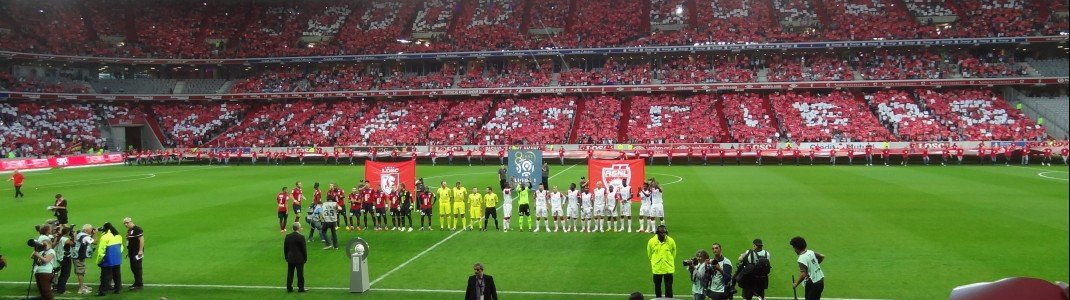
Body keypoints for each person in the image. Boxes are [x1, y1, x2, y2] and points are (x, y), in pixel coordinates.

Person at [647, 225, 676, 299]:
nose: (663, 234)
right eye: (661, 233)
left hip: (668, 268)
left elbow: (673, 253)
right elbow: (649, 254)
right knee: (657, 288)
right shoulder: (651, 241)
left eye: (664, 233)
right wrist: (655, 261)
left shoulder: (671, 241)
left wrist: (668, 260)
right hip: (657, 268)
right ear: (657, 233)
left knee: (669, 288)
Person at [95, 222, 123, 296]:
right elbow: (121, 248)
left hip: (108, 259)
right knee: (117, 274)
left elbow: (101, 251)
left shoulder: (104, 237)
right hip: (117, 259)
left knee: (105, 276)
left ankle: (103, 291)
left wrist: (99, 261)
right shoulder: (118, 235)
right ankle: (118, 289)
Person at [284, 222, 308, 293]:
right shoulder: (301, 237)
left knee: (290, 273)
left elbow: (285, 248)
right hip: (299, 258)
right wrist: (305, 258)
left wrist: (286, 257)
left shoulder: (288, 236)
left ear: (293, 228)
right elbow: (304, 249)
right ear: (299, 228)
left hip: (290, 258)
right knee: (300, 274)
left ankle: (289, 288)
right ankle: (301, 288)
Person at [73, 224, 96, 295]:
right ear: (86, 230)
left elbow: (88, 239)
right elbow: (94, 242)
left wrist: (92, 234)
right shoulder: (84, 236)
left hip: (78, 256)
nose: (92, 230)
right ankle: (81, 289)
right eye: (91, 229)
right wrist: (96, 234)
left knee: (81, 272)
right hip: (79, 257)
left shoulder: (81, 234)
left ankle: (82, 286)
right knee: (80, 272)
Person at [123, 217, 145, 290]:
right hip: (132, 252)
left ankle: (139, 284)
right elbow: (129, 242)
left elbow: (141, 240)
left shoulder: (137, 229)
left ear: (131, 221)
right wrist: (129, 252)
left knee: (137, 267)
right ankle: (136, 282)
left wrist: (140, 251)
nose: (126, 224)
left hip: (137, 252)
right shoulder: (129, 230)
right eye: (124, 223)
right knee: (133, 267)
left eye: (127, 223)